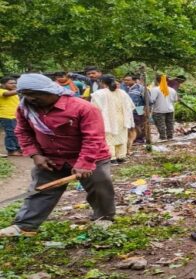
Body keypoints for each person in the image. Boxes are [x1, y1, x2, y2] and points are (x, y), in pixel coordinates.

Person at [0, 73, 115, 237]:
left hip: (89, 156)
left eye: (35, 95)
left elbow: (93, 137)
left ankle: (104, 218)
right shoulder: (25, 108)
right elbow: (22, 131)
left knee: (99, 186)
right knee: (41, 190)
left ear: (50, 91)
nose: (31, 99)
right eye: (26, 95)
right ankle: (25, 226)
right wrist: (35, 154)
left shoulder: (83, 107)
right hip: (51, 158)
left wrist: (85, 163)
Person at [91, 75, 135, 164]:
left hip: (107, 119)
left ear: (102, 83)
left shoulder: (99, 94)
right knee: (121, 137)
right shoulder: (122, 92)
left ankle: (112, 158)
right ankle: (121, 157)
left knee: (108, 138)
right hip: (122, 118)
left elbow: (94, 108)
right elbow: (131, 106)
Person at [149, 75, 178, 141]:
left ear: (157, 81)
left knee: (160, 124)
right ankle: (170, 137)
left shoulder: (155, 89)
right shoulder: (172, 90)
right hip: (170, 109)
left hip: (158, 110)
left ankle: (163, 137)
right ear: (167, 81)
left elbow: (152, 100)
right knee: (170, 123)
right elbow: (175, 100)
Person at [0, 77, 22, 156]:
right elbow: (7, 94)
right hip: (6, 116)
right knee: (11, 133)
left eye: (15, 83)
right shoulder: (2, 91)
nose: (14, 85)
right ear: (2, 84)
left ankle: (18, 148)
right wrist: (21, 89)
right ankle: (11, 150)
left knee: (17, 133)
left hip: (15, 116)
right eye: (11, 83)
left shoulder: (13, 92)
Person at [122, 75, 146, 144]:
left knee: (138, 124)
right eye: (125, 80)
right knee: (130, 125)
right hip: (127, 110)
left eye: (128, 80)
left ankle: (139, 139)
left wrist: (145, 110)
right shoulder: (123, 88)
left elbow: (148, 100)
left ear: (134, 80)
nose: (126, 81)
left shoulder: (141, 88)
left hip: (138, 108)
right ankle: (132, 138)